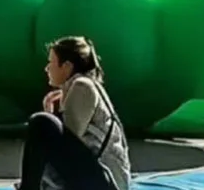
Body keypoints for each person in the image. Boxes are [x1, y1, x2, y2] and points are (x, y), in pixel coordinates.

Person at [18, 36, 130, 190]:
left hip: (106, 182)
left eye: (51, 62)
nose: (47, 68)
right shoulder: (79, 86)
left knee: (41, 122)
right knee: (44, 122)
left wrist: (49, 120)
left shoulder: (82, 86)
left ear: (67, 66)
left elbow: (71, 140)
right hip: (97, 178)